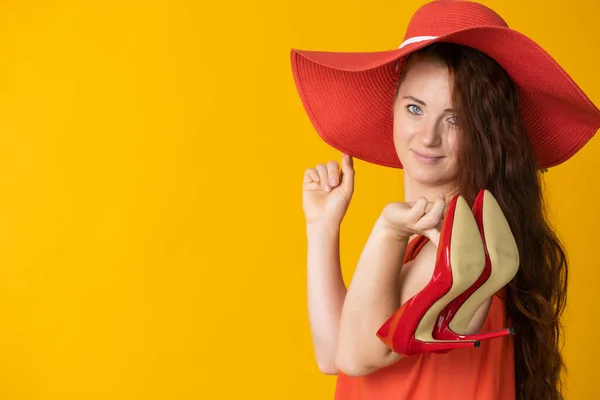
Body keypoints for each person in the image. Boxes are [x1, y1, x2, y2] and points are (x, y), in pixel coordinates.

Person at [291, 1, 600, 399]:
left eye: (456, 118)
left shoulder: (455, 252)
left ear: (487, 133)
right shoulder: (443, 243)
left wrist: (387, 228)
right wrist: (321, 228)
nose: (428, 136)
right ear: (393, 109)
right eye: (415, 108)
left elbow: (352, 357)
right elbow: (332, 356)